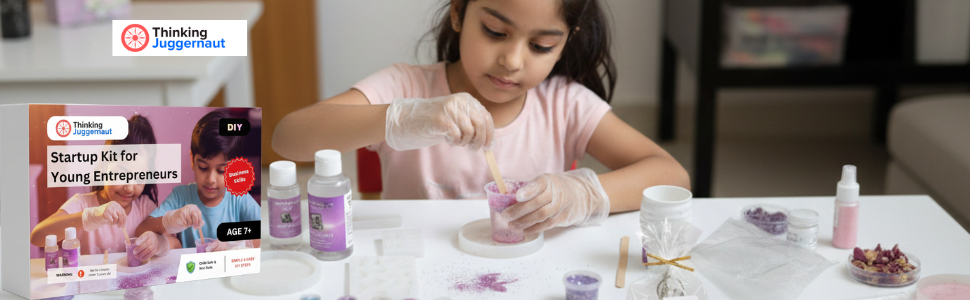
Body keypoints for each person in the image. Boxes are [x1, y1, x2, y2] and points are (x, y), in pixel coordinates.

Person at [273, 0, 689, 234]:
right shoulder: (406, 87)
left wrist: (581, 195)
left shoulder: (565, 104)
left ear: (565, 44)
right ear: (459, 13)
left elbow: (672, 175)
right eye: (494, 31)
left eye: (541, 46)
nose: (511, 60)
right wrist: (403, 117)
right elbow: (287, 138)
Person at [30, 115, 172, 261]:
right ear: (104, 166)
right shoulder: (82, 204)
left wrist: (160, 243)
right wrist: (90, 216)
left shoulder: (144, 207)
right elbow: (37, 237)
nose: (129, 188)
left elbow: (176, 244)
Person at [136, 110, 261, 252]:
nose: (211, 179)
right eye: (203, 167)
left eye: (221, 171)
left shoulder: (239, 198)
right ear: (192, 159)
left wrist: (231, 244)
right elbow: (141, 230)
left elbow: (261, 234)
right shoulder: (180, 197)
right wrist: (169, 221)